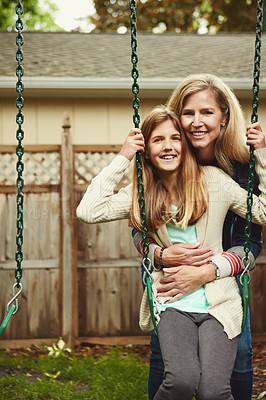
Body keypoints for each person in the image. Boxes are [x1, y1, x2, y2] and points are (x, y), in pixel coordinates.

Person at [76, 105, 266, 399]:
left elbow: (262, 213)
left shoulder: (214, 181)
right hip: (172, 301)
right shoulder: (141, 192)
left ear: (185, 144)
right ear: (146, 149)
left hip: (219, 302)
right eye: (157, 140)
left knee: (214, 391)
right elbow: (88, 211)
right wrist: (124, 155)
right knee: (181, 380)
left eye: (175, 138)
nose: (168, 146)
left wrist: (262, 153)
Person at [132, 74, 263, 400]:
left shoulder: (241, 169)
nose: (197, 122)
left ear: (224, 118)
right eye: (188, 113)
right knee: (167, 365)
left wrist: (207, 271)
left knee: (240, 362)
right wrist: (159, 256)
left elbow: (252, 241)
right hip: (172, 284)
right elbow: (138, 228)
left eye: (207, 112)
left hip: (225, 283)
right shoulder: (166, 158)